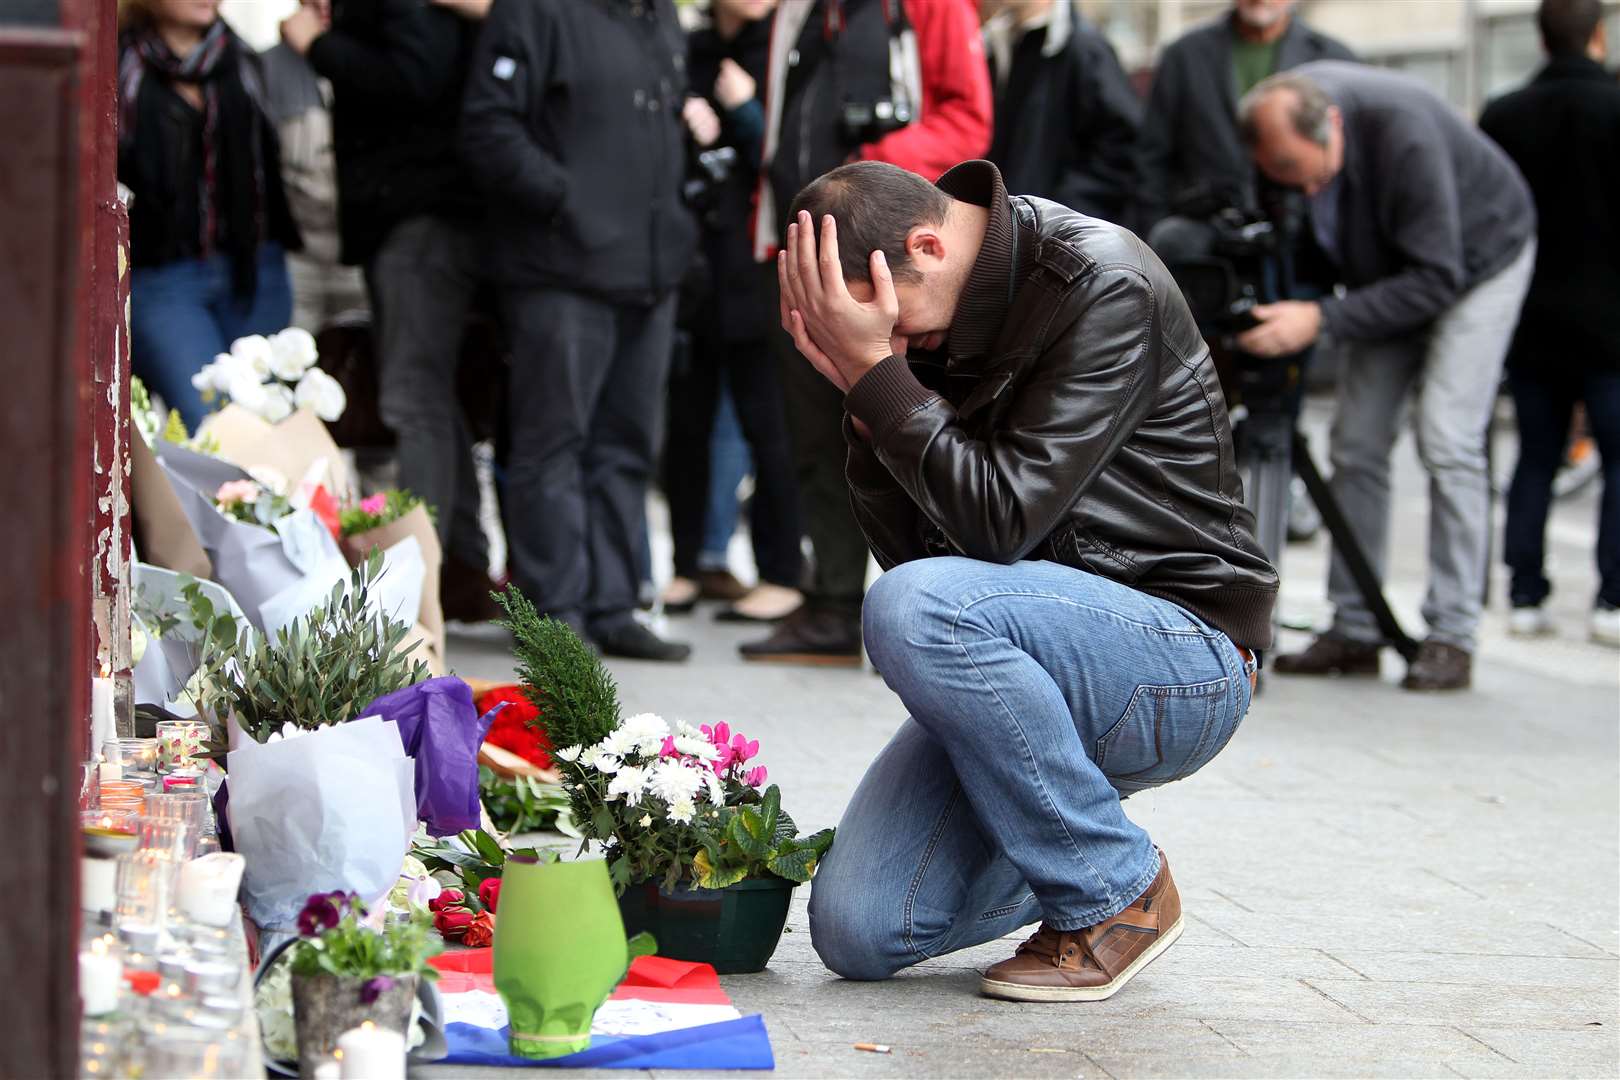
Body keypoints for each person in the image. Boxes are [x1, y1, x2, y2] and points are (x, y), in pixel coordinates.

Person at [779, 159, 1276, 999]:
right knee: (860, 929)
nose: (893, 348)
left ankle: (1116, 894)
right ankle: (1068, 836)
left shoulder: (1099, 283)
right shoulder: (929, 319)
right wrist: (871, 408)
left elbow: (997, 526)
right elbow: (923, 558)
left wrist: (880, 376)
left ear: (927, 245)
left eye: (888, 323)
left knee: (909, 608)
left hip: (1180, 651)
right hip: (1029, 650)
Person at [1238, 65, 1537, 690]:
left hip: (1476, 264)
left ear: (1333, 126)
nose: (1297, 185)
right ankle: (1356, 628)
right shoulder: (1289, 124)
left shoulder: (1404, 136)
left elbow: (1438, 276)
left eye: (1300, 168)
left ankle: (1453, 635)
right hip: (1390, 273)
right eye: (1281, 174)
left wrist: (1320, 318)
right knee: (1356, 441)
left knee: (1447, 437)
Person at [740, 0, 993, 667]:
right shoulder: (796, 11)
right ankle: (829, 601)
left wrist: (862, 164)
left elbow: (968, 119)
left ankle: (914, 605)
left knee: (890, 418)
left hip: (883, 254)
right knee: (814, 438)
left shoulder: (930, 7)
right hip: (797, 249)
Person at [460, 0, 699, 661]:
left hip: (650, 272)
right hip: (560, 270)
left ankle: (614, 605)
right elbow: (488, 128)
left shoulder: (659, 17)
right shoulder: (536, 11)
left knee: (627, 446)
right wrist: (567, 201)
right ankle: (555, 615)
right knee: (552, 444)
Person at [281, 0, 499, 616]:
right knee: (431, 394)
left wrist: (318, 47)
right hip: (420, 213)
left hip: (420, 216)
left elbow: (416, 75)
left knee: (413, 395)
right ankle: (460, 563)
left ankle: (430, 578)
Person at [1480, 0, 1620, 649]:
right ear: (1598, 35)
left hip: (1529, 316)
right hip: (1612, 322)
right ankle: (1612, 600)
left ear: (1540, 38)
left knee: (1535, 456)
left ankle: (1525, 594)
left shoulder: (1504, 115)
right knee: (1618, 461)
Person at [662, 0, 806, 625]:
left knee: (768, 424)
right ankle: (689, 564)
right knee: (686, 424)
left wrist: (746, 114)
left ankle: (782, 571)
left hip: (757, 267)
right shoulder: (683, 48)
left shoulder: (779, 47)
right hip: (690, 267)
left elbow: (792, 162)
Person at [119, 0, 301, 430]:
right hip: (165, 278)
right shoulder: (119, 65)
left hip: (255, 272)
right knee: (215, 427)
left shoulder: (242, 59)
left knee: (269, 426)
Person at [1133, 0, 1353, 236]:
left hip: (1304, 238)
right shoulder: (1184, 55)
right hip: (1209, 234)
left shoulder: (1331, 57)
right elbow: (1152, 158)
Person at [979, 0, 1140, 222]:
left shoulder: (1085, 48)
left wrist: (1062, 207)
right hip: (1007, 225)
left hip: (1052, 233)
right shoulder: (993, 43)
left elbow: (1122, 146)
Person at [258, 41, 367, 335]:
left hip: (363, 256)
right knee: (282, 363)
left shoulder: (386, 57)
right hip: (296, 257)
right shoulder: (267, 66)